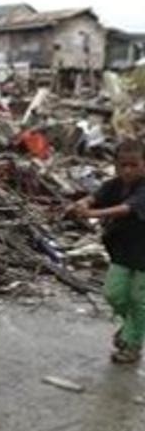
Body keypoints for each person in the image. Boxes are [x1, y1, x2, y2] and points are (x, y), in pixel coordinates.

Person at [65, 139, 145, 363]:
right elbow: (95, 197)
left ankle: (132, 345)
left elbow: (126, 209)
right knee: (114, 294)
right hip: (123, 251)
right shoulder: (114, 185)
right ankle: (132, 327)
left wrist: (92, 214)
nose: (127, 170)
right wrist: (82, 204)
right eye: (122, 165)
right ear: (116, 165)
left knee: (139, 299)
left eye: (134, 165)